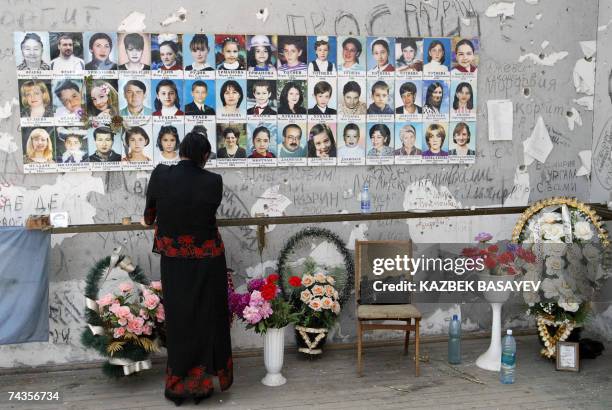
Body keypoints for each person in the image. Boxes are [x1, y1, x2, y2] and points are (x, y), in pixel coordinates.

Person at [142, 131, 232, 406]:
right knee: (207, 317)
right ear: (204, 156)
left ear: (180, 151)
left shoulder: (160, 175)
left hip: (174, 262)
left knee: (180, 319)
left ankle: (178, 383)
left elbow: (149, 218)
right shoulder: (214, 181)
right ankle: (204, 381)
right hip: (208, 261)